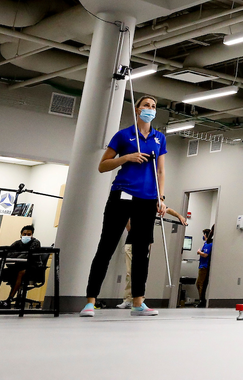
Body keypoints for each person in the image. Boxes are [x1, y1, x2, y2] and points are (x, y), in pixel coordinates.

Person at [79, 94, 168, 318]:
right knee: (106, 246)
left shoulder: (159, 138)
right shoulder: (123, 135)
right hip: (122, 195)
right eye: (146, 105)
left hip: (147, 200)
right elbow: (102, 166)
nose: (150, 108)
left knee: (141, 252)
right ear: (137, 110)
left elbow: (160, 171)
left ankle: (138, 302)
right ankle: (90, 301)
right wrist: (126, 158)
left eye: (154, 106)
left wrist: (161, 197)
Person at [118, 207, 188, 310]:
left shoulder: (150, 204)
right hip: (131, 242)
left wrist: (179, 216)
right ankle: (128, 300)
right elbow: (129, 228)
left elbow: (167, 209)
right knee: (129, 272)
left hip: (144, 243)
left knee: (141, 272)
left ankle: (140, 299)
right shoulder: (133, 206)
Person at [0, 224, 44, 301]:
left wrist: (16, 255)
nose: (26, 236)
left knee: (20, 273)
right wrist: (17, 255)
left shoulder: (36, 242)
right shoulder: (17, 243)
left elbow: (28, 255)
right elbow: (8, 253)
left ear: (32, 235)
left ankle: (10, 298)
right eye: (24, 234)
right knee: (0, 272)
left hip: (33, 267)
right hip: (18, 265)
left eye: (29, 234)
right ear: (21, 234)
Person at [195, 227, 213, 307]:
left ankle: (202, 300)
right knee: (199, 284)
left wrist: (199, 252)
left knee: (200, 284)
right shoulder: (206, 243)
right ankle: (201, 299)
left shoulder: (208, 244)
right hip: (202, 266)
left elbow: (205, 255)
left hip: (204, 267)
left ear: (205, 235)